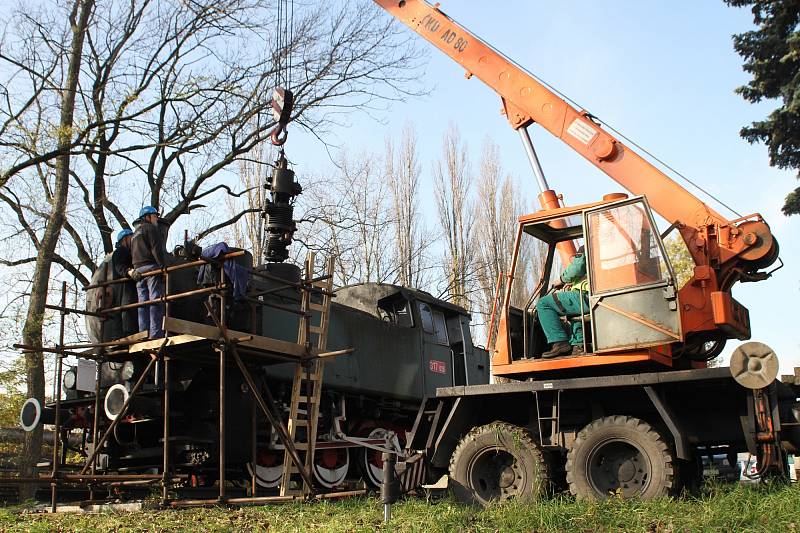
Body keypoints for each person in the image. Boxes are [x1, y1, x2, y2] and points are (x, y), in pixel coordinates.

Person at [536, 246, 590, 358]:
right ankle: (578, 345)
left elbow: (577, 268)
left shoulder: (586, 248)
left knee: (543, 303)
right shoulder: (600, 251)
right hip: (591, 297)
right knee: (573, 313)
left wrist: (561, 279)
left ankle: (559, 342)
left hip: (586, 296)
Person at [131, 206, 167, 339]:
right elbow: (156, 248)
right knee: (155, 301)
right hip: (151, 268)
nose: (156, 218)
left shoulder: (135, 233)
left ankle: (143, 333)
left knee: (142, 303)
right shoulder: (151, 229)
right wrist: (163, 267)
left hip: (138, 271)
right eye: (154, 216)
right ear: (147, 217)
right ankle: (156, 333)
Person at [112, 228, 139, 338]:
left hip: (130, 283)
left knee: (131, 307)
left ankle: (132, 330)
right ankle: (127, 332)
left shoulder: (131, 251)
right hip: (123, 285)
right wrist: (129, 271)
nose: (133, 240)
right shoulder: (120, 251)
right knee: (127, 307)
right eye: (131, 238)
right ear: (124, 240)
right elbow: (119, 266)